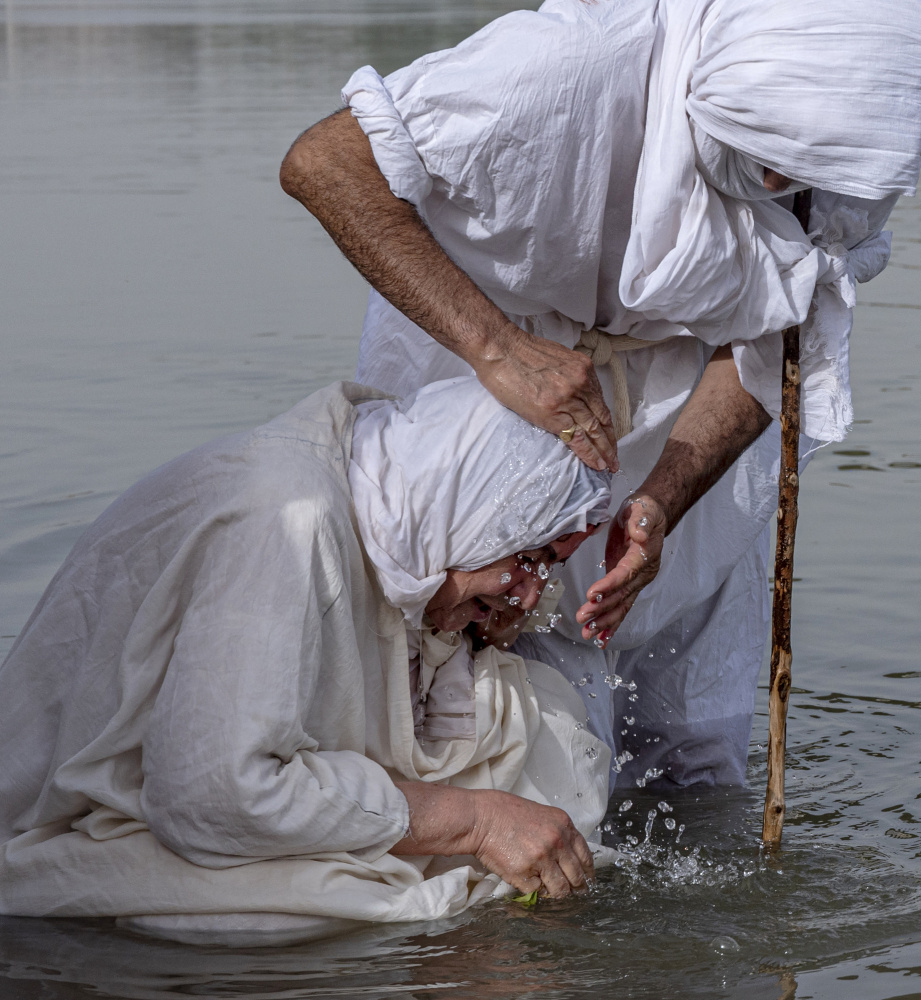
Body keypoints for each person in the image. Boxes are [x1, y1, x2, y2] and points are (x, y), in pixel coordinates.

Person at [279, 0, 921, 788]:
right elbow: (324, 163)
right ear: (721, 87)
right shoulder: (565, 67)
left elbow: (771, 335)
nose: (783, 183)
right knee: (491, 717)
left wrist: (660, 501)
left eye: (811, 167)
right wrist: (499, 350)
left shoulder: (858, 152)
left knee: (693, 749)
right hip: (484, 365)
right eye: (772, 153)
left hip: (689, 412)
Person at [0, 377, 616, 945]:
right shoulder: (287, 518)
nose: (533, 594)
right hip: (93, 824)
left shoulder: (401, 503)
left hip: (221, 794)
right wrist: (476, 823)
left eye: (550, 565)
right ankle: (443, 960)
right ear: (474, 508)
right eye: (529, 556)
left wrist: (475, 619)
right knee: (308, 914)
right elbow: (213, 797)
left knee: (550, 734)